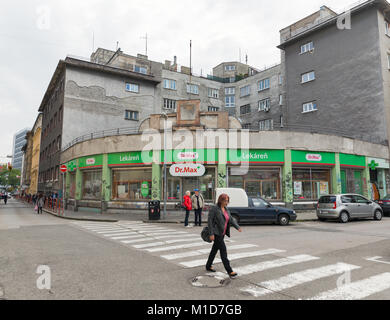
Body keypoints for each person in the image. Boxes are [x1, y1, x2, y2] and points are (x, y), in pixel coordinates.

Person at [206, 193, 242, 279]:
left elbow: (231, 219)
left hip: (222, 233)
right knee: (223, 251)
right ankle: (229, 271)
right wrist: (211, 234)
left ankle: (208, 265)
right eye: (225, 201)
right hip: (216, 233)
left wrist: (237, 227)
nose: (226, 202)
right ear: (220, 200)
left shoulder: (226, 209)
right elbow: (210, 221)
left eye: (227, 201)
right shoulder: (214, 209)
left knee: (214, 250)